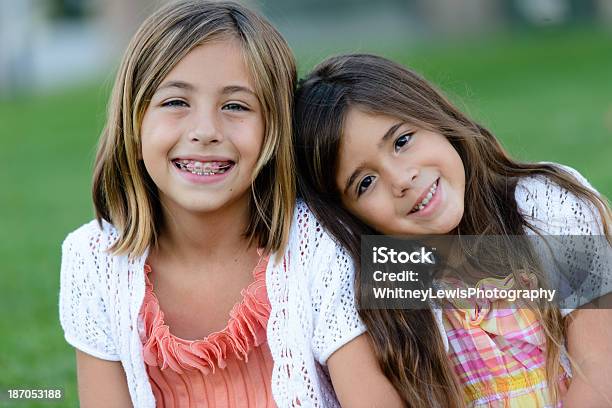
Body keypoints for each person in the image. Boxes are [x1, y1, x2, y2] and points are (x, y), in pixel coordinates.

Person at [59, 4, 403, 407]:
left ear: (273, 131)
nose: (205, 131)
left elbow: (485, 274)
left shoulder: (319, 249)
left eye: (236, 106)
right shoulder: (93, 260)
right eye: (175, 103)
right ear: (133, 126)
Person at [294, 53, 612, 407]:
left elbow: (601, 367)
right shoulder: (384, 280)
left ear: (434, 117)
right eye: (365, 182)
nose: (402, 180)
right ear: (348, 215)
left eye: (401, 141)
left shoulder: (545, 204)